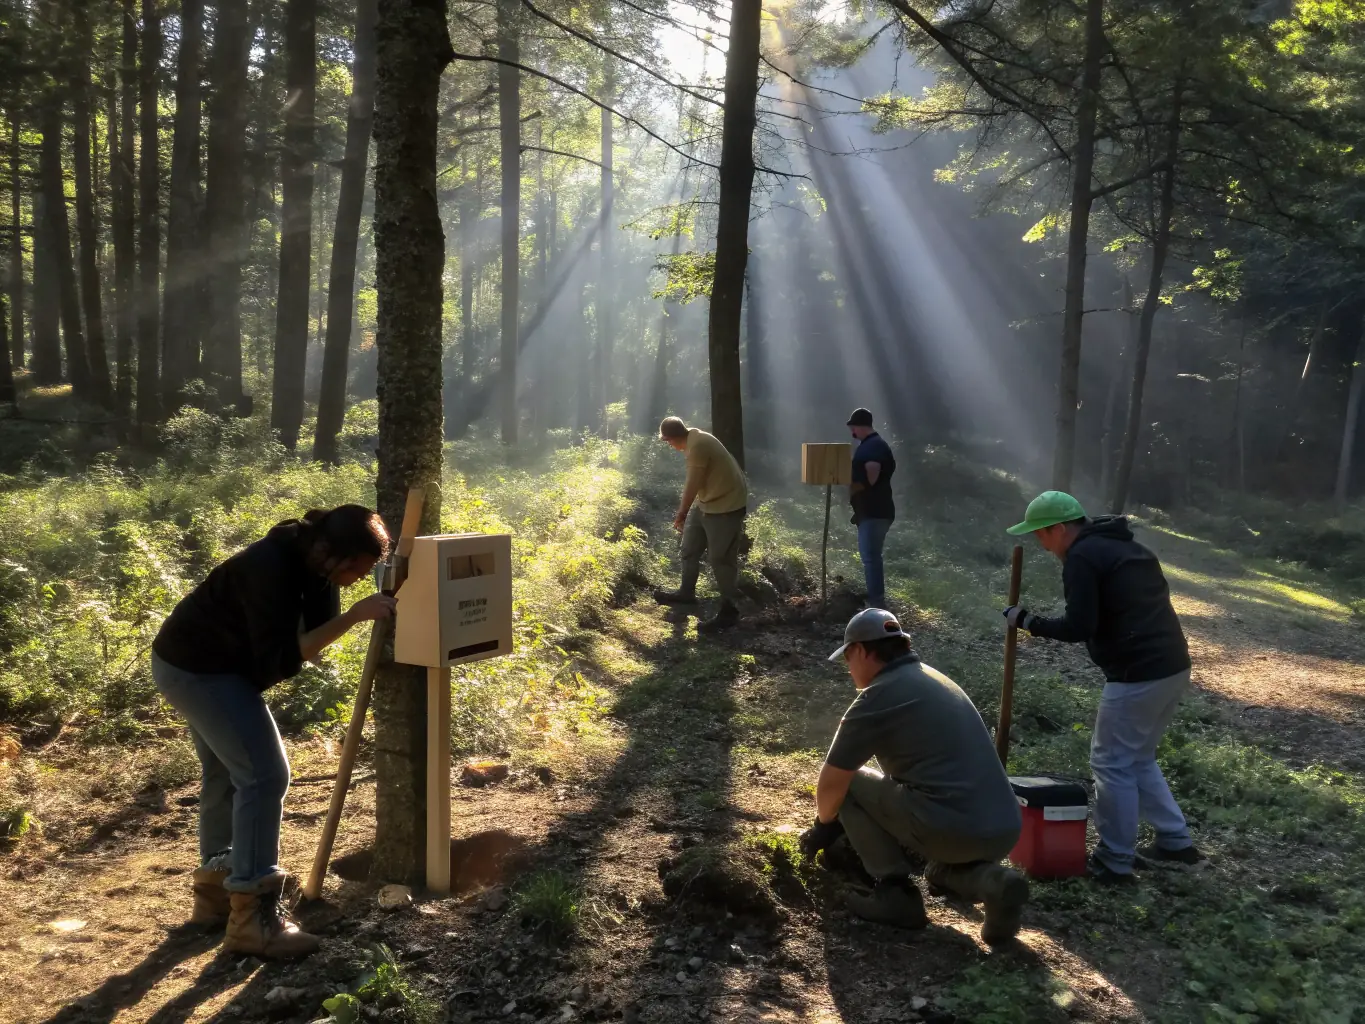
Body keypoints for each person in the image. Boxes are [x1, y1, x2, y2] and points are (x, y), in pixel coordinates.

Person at [151, 505, 397, 957]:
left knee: (228, 773)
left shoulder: (308, 557)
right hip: (199, 670)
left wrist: (339, 619)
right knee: (264, 775)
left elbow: (309, 631)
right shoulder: (269, 569)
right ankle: (254, 916)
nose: (362, 577)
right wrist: (357, 616)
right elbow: (284, 657)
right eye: (358, 567)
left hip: (201, 663)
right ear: (334, 553)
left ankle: (218, 896)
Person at [1004, 490, 1204, 884]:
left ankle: (1114, 860)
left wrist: (1027, 621)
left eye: (1042, 535)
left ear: (1060, 529)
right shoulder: (1128, 548)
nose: (1042, 545)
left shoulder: (1081, 557)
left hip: (1138, 673)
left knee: (1111, 762)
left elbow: (1080, 626)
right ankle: (1176, 843)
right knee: (1138, 758)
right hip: (1172, 665)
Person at [799, 609, 1030, 944]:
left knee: (850, 784)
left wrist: (823, 826)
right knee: (936, 871)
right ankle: (992, 882)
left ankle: (895, 895)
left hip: (950, 828)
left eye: (847, 658)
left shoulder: (878, 696)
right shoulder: (936, 680)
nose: (848, 669)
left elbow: (833, 780)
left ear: (862, 650)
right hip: (1004, 827)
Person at [652, 416, 749, 632]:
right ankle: (686, 593)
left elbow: (692, 483)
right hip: (706, 502)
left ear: (674, 437)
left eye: (668, 441)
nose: (669, 446)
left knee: (720, 559)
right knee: (689, 548)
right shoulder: (692, 441)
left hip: (726, 505)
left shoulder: (699, 445)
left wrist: (681, 513)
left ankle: (729, 610)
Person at [847, 409, 896, 610]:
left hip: (874, 511)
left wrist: (858, 486)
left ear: (859, 426)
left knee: (871, 557)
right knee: (871, 556)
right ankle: (876, 600)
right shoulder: (873, 444)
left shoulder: (873, 446)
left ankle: (877, 603)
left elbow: (872, 472)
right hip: (874, 511)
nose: (852, 432)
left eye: (853, 428)